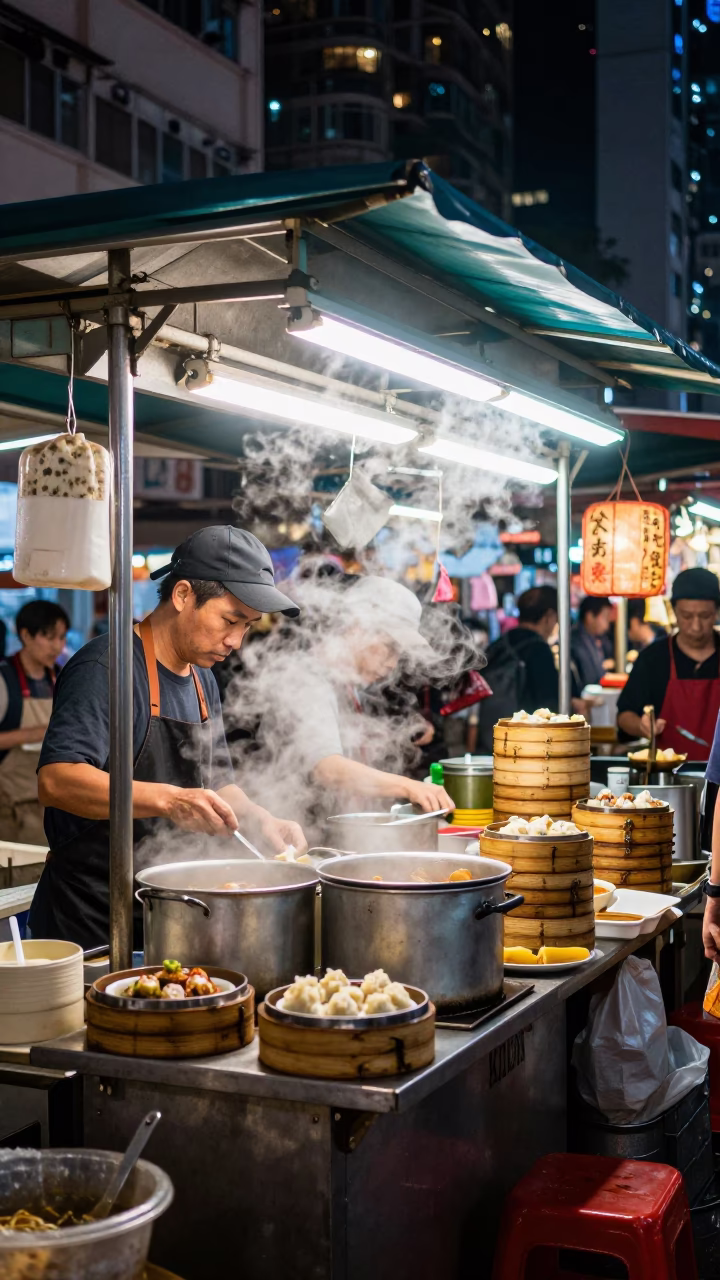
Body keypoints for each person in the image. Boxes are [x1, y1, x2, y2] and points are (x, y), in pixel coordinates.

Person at [29, 526, 307, 949]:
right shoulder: (107, 668)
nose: (235, 641)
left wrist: (259, 818)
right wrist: (171, 800)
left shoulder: (202, 678)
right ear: (182, 596)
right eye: (229, 620)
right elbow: (57, 781)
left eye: (247, 626)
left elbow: (219, 783)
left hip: (165, 915)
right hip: (90, 922)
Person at [616, 567, 720, 758]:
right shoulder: (653, 658)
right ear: (674, 611)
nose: (696, 626)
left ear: (716, 612)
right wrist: (642, 726)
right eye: (687, 616)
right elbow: (624, 715)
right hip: (668, 778)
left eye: (705, 616)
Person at [0, 600, 69, 845]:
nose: (57, 646)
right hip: (12, 807)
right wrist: (38, 733)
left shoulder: (62, 677)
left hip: (53, 805)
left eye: (61, 638)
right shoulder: (4, 679)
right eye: (48, 637)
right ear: (25, 635)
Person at [571, 596, 613, 690]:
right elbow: (590, 677)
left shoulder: (596, 638)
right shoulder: (575, 641)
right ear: (590, 616)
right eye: (605, 617)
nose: (607, 623)